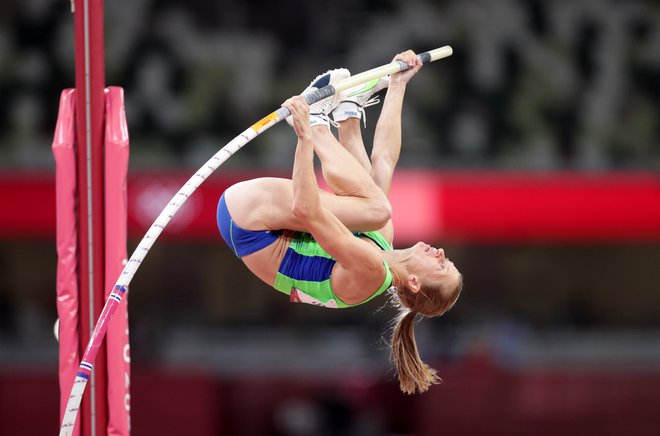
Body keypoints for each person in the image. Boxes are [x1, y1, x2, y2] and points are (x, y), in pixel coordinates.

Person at [217, 50, 462, 394]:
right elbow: (385, 159)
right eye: (446, 259)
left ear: (416, 283)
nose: (439, 253)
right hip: (267, 217)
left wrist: (307, 137)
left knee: (378, 209)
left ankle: (321, 121)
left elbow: (307, 209)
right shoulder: (382, 244)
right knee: (377, 199)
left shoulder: (372, 271)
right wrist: (397, 86)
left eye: (440, 266)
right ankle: (348, 112)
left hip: (250, 222)